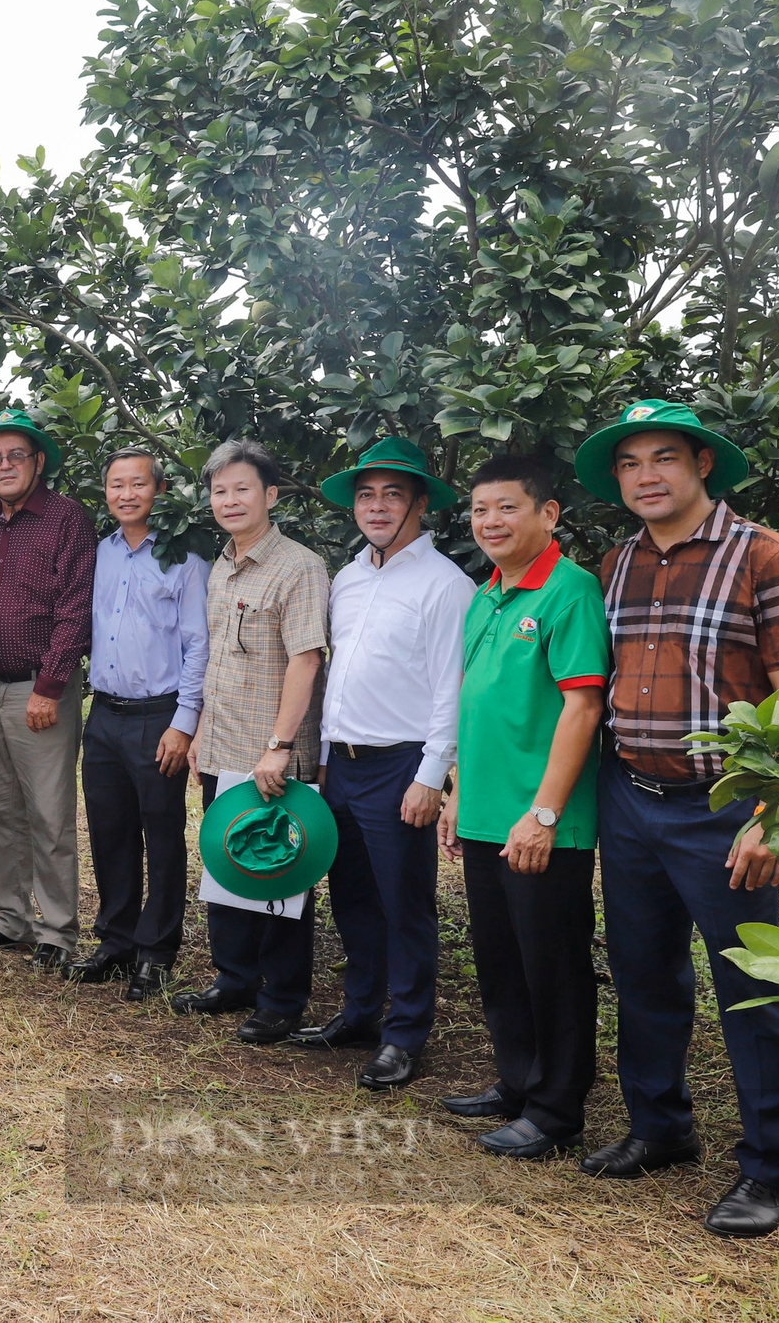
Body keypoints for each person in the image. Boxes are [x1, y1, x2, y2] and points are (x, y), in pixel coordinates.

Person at [573, 400, 779, 1237]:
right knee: (644, 974)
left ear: (702, 465)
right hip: (631, 798)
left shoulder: (766, 556)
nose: (648, 475)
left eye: (665, 458)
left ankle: (773, 1166)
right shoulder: (615, 564)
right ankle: (659, 1126)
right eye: (632, 463)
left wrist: (778, 814)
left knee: (751, 987)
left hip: (728, 809)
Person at [438, 454, 607, 1160]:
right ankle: (517, 1083)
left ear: (548, 514)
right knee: (501, 959)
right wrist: (453, 791)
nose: (490, 522)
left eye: (507, 507)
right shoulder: (486, 594)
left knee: (553, 966)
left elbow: (583, 705)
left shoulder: (569, 592)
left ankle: (556, 1109)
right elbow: (474, 703)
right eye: (481, 510)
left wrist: (542, 813)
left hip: (540, 823)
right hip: (481, 811)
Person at [297, 439, 473, 1090]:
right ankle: (360, 1013)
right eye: (366, 494)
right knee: (353, 899)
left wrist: (432, 776)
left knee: (405, 905)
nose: (376, 506)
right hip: (340, 764)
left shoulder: (446, 585)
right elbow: (335, 677)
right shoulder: (346, 578)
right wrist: (317, 764)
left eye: (392, 493)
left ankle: (406, 1034)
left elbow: (451, 689)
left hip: (400, 766)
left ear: (420, 503)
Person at [172, 439, 328, 1044]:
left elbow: (305, 660)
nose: (230, 500)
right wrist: (202, 730)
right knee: (226, 860)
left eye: (243, 489)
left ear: (271, 495)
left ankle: (282, 996)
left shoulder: (299, 566)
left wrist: (280, 745)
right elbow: (216, 658)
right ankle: (233, 977)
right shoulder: (222, 565)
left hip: (271, 752)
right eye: (220, 491)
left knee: (281, 870)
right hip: (223, 743)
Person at [0, 410, 96, 971]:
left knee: (49, 814)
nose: (5, 465)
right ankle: (10, 917)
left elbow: (75, 607)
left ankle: (58, 930)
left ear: (38, 462)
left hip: (43, 688)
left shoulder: (66, 518)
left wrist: (50, 685)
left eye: (16, 455)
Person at [71, 448, 208, 1000]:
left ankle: (156, 950)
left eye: (137, 485)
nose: (126, 495)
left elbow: (197, 644)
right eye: (116, 486)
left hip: (160, 715)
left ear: (160, 490)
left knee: (162, 833)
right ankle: (116, 939)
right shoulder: (99, 554)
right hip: (103, 712)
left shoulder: (184, 557)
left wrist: (185, 721)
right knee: (110, 831)